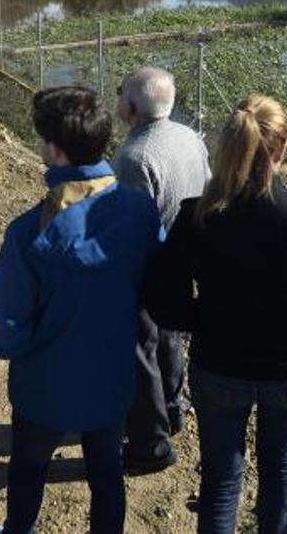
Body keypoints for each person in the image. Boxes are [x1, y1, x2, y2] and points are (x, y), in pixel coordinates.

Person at [145, 94, 287, 534]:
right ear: (282, 146)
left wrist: (202, 317)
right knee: (280, 464)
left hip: (218, 366)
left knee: (222, 477)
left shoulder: (198, 216)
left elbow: (162, 302)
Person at [0, 87, 165, 534]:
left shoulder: (28, 232)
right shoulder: (140, 211)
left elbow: (6, 335)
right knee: (106, 472)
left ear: (54, 152)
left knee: (28, 468)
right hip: (113, 380)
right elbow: (153, 285)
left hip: (44, 388)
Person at [113, 67, 210, 475]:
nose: (117, 99)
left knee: (141, 349)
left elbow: (133, 228)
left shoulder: (134, 157)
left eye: (120, 94)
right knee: (170, 338)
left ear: (131, 107)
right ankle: (173, 405)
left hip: (150, 265)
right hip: (184, 259)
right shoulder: (189, 136)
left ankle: (151, 443)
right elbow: (207, 186)